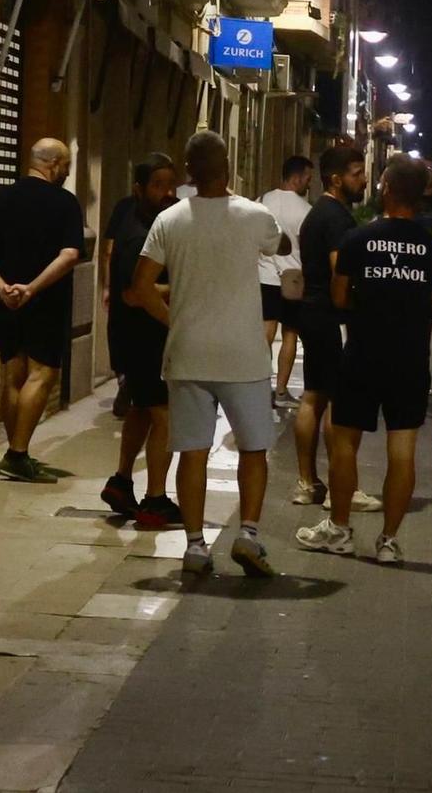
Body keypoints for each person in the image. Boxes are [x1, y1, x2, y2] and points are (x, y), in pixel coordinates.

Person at [133, 131, 289, 577]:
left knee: (193, 452)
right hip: (243, 354)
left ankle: (196, 546)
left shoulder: (170, 220)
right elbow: (280, 246)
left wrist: (174, 321)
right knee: (254, 448)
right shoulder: (254, 215)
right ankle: (248, 536)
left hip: (188, 353)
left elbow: (141, 285)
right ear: (227, 167)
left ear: (187, 171)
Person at [297, 157, 432, 564]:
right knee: (403, 450)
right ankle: (389, 541)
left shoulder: (358, 239)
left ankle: (340, 529)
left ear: (387, 188)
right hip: (411, 359)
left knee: (345, 443)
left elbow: (339, 296)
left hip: (362, 353)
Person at [0, 139, 83, 484]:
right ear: (55, 164)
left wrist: (1, 287)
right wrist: (31, 288)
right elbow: (69, 255)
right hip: (45, 301)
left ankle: (16, 451)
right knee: (42, 374)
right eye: (66, 166)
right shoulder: (65, 203)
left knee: (12, 374)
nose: (66, 172)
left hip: (5, 302)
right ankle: (18, 455)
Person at [291, 146, 380, 515]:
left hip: (311, 311)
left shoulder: (317, 213)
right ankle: (342, 488)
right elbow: (340, 270)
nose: (364, 180)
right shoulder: (337, 218)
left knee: (313, 396)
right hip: (331, 316)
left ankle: (306, 483)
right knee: (338, 401)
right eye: (357, 173)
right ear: (336, 179)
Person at [100, 153, 182, 528]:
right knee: (165, 415)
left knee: (141, 408)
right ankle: (155, 500)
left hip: (135, 336)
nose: (168, 192)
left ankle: (121, 482)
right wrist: (176, 289)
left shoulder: (138, 216)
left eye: (171, 184)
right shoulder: (139, 234)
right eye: (158, 185)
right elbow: (135, 293)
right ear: (139, 188)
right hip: (144, 337)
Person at [261, 155, 315, 409]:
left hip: (264, 276)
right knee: (290, 334)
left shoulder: (262, 202)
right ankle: (281, 392)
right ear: (296, 178)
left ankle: (259, 388)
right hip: (293, 280)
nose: (309, 183)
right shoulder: (306, 211)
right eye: (307, 178)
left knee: (265, 334)